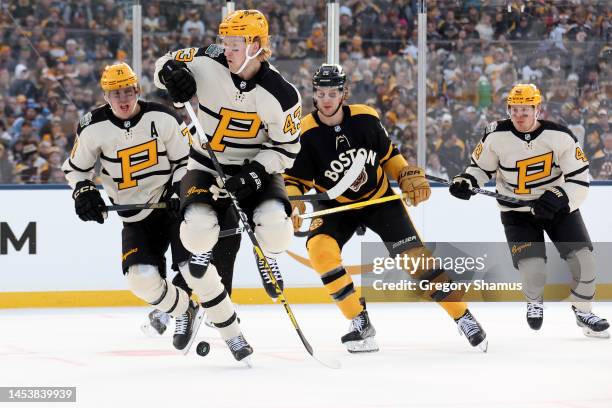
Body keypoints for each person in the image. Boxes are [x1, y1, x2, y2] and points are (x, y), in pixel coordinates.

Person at [284, 64, 487, 353]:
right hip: (336, 206)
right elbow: (294, 180)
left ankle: (463, 316)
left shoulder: (366, 118)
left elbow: (389, 155)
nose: (326, 99)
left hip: (379, 199)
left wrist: (405, 175)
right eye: (320, 93)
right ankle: (359, 321)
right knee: (319, 251)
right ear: (313, 95)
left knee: (416, 261)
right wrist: (293, 203)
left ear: (344, 93)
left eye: (332, 92)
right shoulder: (306, 132)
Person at [61, 62, 244, 355]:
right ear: (105, 95)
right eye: (115, 92)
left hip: (171, 207)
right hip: (134, 217)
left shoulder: (163, 116)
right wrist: (83, 191)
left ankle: (233, 334)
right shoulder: (92, 127)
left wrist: (178, 188)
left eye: (128, 91)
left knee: (195, 270)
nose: (123, 99)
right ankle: (185, 310)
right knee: (140, 279)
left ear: (137, 89)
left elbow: (188, 161)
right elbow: (75, 170)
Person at [153, 10, 302, 360]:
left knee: (278, 230)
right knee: (198, 232)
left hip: (256, 169)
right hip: (206, 163)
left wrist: (254, 174)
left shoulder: (281, 95)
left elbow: (287, 149)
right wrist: (169, 74)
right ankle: (207, 247)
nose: (227, 49)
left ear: (256, 46)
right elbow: (165, 62)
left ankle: (268, 253)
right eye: (226, 42)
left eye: (235, 44)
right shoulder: (208, 59)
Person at [449, 83, 609, 338]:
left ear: (537, 109)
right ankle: (534, 300)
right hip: (516, 211)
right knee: (533, 268)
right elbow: (479, 168)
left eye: (525, 109)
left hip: (558, 208)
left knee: (584, 260)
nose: (519, 115)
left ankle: (583, 310)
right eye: (514, 109)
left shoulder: (560, 135)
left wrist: (559, 196)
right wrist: (467, 181)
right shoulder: (495, 135)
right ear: (508, 109)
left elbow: (580, 179)